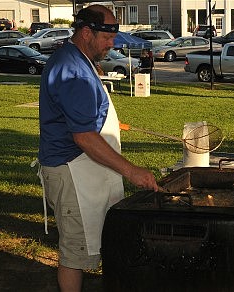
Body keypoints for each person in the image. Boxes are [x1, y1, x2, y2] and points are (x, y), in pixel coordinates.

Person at [37, 5, 158, 291]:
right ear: (87, 32)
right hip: (73, 174)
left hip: (86, 172)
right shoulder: (73, 71)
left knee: (90, 246)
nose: (112, 44)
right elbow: (84, 137)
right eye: (107, 38)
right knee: (75, 254)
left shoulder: (78, 59)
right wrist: (132, 171)